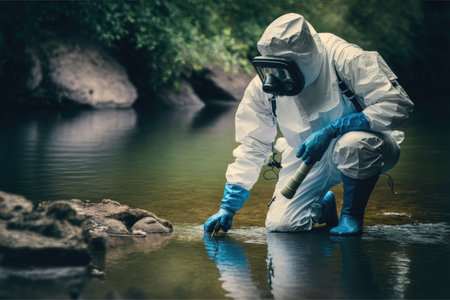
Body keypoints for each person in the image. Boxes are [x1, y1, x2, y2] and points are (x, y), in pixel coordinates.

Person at [204, 13, 413, 236]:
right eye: (272, 67)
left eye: (285, 68)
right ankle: (323, 207)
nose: (276, 77)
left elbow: (397, 104)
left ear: (305, 59)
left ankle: (352, 215)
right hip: (306, 155)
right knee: (282, 226)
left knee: (353, 144)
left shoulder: (344, 58)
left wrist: (331, 130)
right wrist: (228, 206)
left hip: (369, 145)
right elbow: (253, 144)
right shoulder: (264, 85)